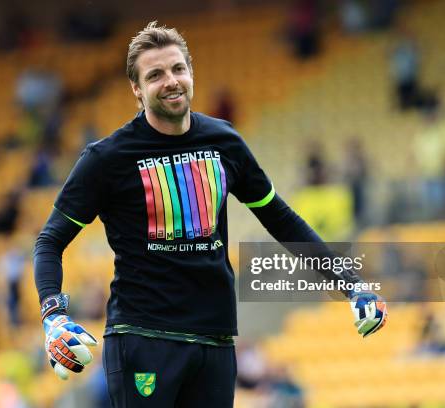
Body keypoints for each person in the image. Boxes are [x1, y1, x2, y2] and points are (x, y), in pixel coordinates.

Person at [34, 22, 387, 408]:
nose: (170, 81)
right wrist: (53, 315)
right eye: (155, 75)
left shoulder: (224, 142)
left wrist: (352, 284)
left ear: (190, 73)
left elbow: (281, 219)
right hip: (143, 338)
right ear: (137, 89)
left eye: (178, 69)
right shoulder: (106, 159)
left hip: (215, 340)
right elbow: (50, 241)